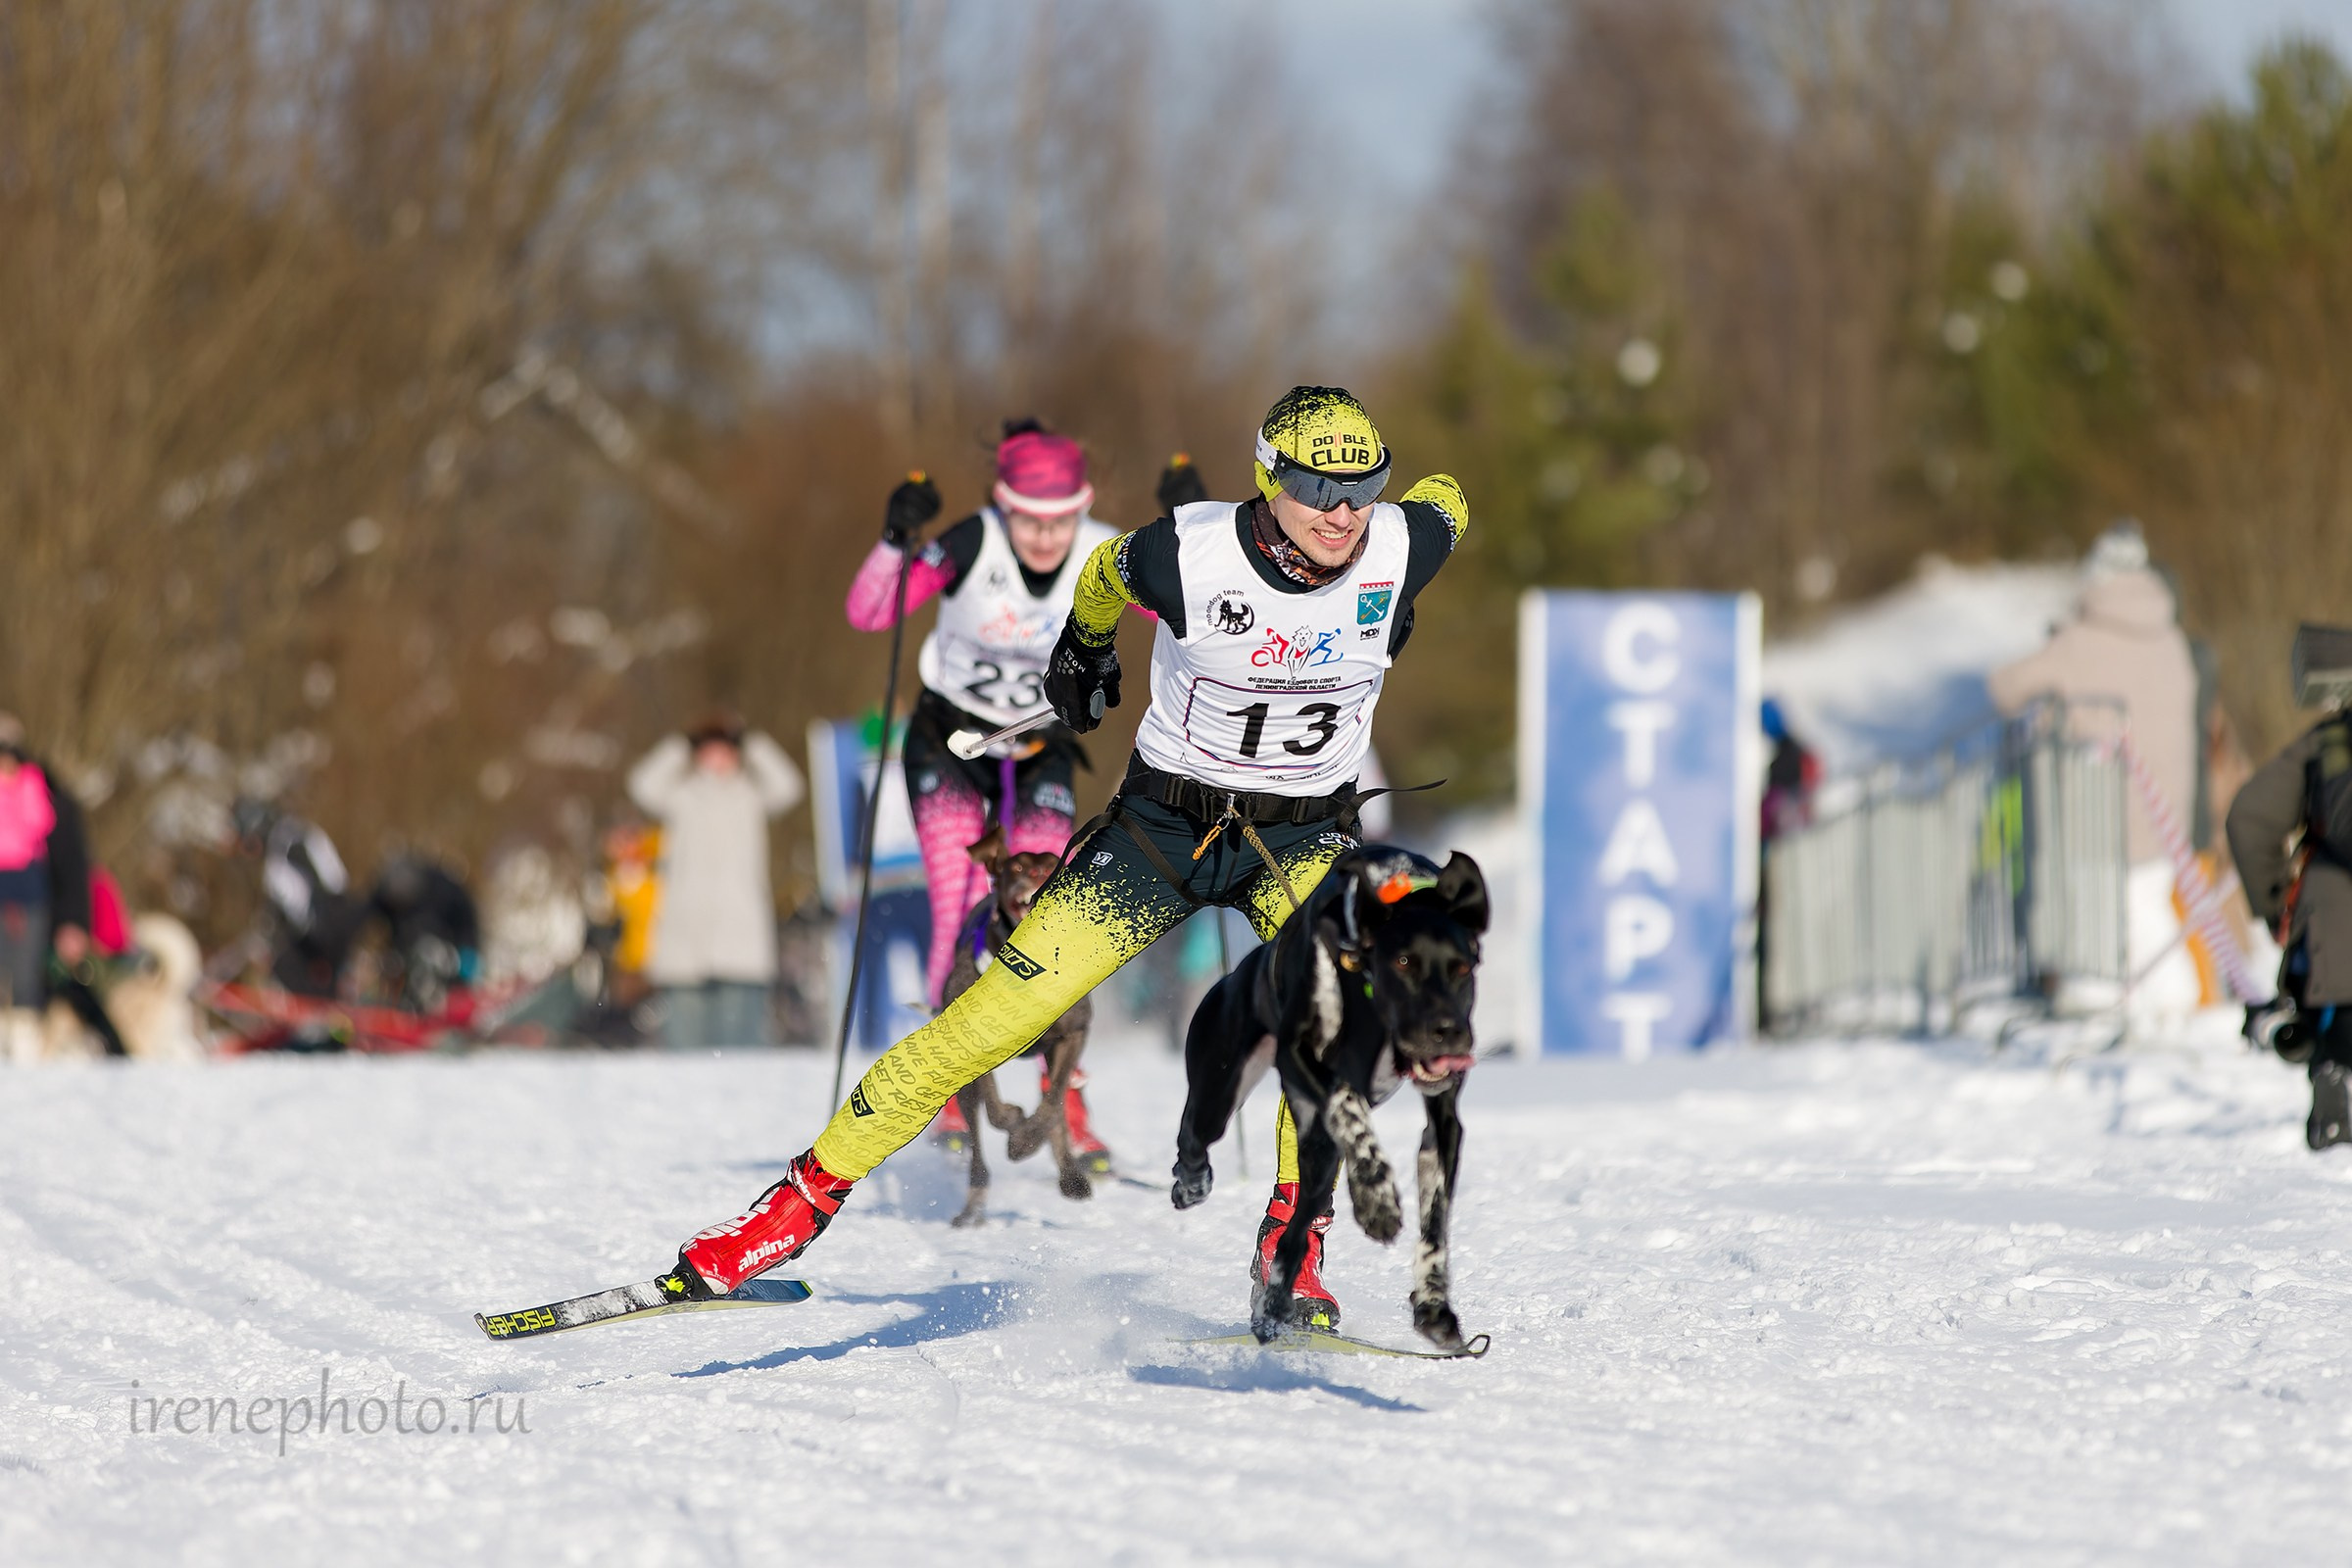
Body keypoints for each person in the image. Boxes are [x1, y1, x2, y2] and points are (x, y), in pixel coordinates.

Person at [662, 386, 1469, 1332]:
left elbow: (1448, 497)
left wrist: (1399, 593)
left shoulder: (1403, 539)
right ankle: (785, 1215)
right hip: (1161, 835)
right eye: (1316, 487)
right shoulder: (1186, 552)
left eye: (1364, 486)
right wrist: (1085, 649)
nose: (1345, 512)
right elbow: (1104, 575)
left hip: (1302, 834)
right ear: (1267, 478)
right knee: (991, 1023)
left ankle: (1293, 1251)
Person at [841, 418, 1135, 1158]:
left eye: (1061, 519)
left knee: (1052, 921)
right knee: (959, 904)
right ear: (1003, 505)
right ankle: (950, 1089)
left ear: (1083, 506)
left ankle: (1061, 1095)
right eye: (1029, 520)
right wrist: (891, 541)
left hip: (1040, 752)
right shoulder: (972, 541)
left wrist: (1199, 533)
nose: (1045, 536)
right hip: (950, 743)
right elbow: (870, 612)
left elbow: (1195, 608)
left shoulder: (1107, 551)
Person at [2230, 623, 2352, 1149]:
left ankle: (2337, 1084)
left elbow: (2249, 818)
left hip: (2336, 938)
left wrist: (2278, 904)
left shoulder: (2330, 741)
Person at [625, 713, 804, 1049]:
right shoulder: (681, 796)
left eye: (725, 749)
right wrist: (681, 744)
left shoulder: (750, 795)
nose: (717, 758)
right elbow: (642, 784)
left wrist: (754, 742)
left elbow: (789, 786)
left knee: (741, 1046)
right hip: (687, 934)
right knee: (686, 1045)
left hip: (741, 933)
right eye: (708, 749)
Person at [0, 713, 92, 1063]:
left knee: (25, 985)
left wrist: (74, 922)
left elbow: (71, 864)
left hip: (31, 905)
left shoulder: (45, 797)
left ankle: (26, 1062)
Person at [229, 797, 360, 999]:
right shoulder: (292, 835)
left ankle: (318, 1014)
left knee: (285, 964)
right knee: (285, 962)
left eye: (248, 842)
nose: (249, 851)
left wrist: (311, 932)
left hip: (324, 926)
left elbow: (300, 893)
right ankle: (320, 1006)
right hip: (330, 919)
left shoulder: (283, 846)